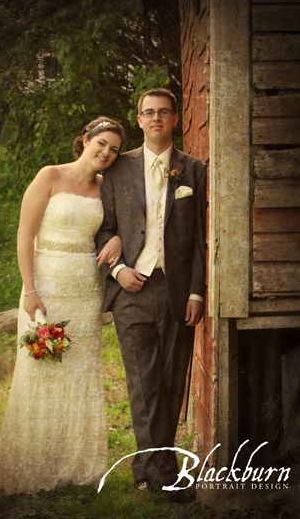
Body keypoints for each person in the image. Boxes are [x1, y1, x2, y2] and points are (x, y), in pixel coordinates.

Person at [0, 116, 126, 498]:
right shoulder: (50, 175)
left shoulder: (107, 189)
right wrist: (30, 290)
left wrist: (120, 241)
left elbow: (120, 227)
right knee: (40, 367)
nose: (107, 153)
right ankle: (31, 459)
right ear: (85, 140)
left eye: (113, 149)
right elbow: (25, 233)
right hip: (46, 283)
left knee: (79, 370)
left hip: (86, 288)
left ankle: (77, 464)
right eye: (102, 144)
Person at [95, 88, 207, 491]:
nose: (156, 118)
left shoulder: (193, 170)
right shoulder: (116, 169)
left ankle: (148, 470)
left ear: (175, 119)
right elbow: (101, 228)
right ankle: (163, 476)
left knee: (172, 381)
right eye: (148, 112)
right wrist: (118, 270)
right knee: (143, 382)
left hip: (178, 290)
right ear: (139, 120)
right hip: (131, 290)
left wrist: (197, 291)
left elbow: (199, 238)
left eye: (164, 112)